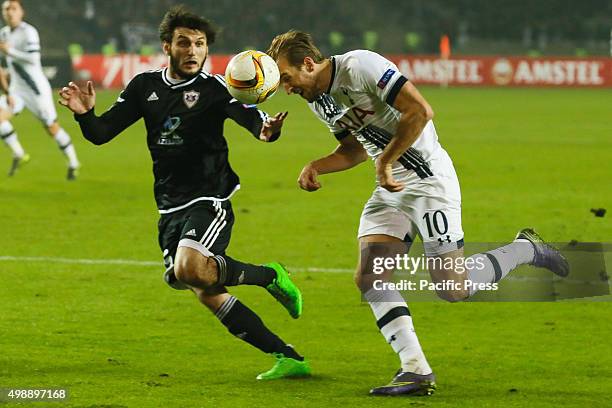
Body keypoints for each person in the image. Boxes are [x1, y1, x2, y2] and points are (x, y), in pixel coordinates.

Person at [267, 30, 568, 395]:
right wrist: (316, 165)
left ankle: (525, 248)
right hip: (391, 186)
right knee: (369, 276)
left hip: (428, 181)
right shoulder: (319, 101)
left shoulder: (361, 65)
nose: (287, 88)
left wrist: (387, 162)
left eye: (287, 77)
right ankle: (415, 370)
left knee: (451, 288)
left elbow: (420, 111)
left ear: (309, 64)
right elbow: (354, 150)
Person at [59, 7, 311, 380]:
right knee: (203, 287)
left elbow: (249, 117)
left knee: (190, 268)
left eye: (200, 44)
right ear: (167, 47)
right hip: (168, 206)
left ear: (206, 49)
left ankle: (269, 276)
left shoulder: (214, 89)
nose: (193, 50)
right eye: (184, 43)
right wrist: (85, 115)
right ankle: (287, 356)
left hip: (210, 198)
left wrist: (267, 128)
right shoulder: (144, 87)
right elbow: (101, 133)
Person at [0, 0, 80, 179]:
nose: (9, 12)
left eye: (13, 9)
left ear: (21, 12)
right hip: (16, 90)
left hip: (37, 91)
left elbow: (33, 58)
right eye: (6, 10)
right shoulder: (3, 34)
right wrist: (6, 92)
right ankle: (19, 153)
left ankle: (73, 163)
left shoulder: (29, 32)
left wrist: (10, 51)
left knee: (52, 128)